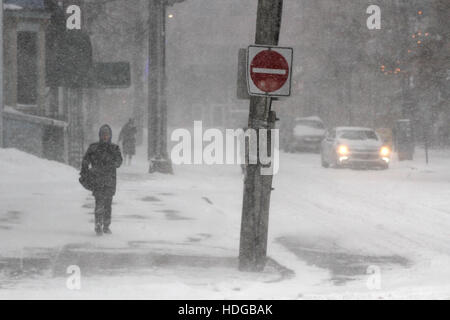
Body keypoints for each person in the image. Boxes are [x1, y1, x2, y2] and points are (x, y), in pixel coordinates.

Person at [81, 124, 123, 236]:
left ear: (110, 136)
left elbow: (119, 161)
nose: (105, 137)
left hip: (109, 181)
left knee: (108, 204)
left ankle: (106, 225)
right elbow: (85, 160)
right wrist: (85, 171)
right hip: (98, 180)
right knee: (99, 202)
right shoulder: (94, 148)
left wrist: (112, 164)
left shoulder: (114, 148)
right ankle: (98, 224)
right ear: (100, 135)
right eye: (103, 134)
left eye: (107, 135)